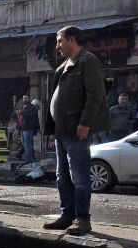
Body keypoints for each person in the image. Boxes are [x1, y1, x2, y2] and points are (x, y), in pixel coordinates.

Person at [42, 26, 110, 236]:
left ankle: (82, 219)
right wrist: (53, 130)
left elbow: (95, 95)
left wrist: (85, 123)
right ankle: (66, 215)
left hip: (76, 130)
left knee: (79, 176)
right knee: (62, 176)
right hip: (62, 131)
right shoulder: (64, 66)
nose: (58, 46)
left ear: (72, 40)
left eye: (60, 40)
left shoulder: (87, 61)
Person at [17, 95, 40, 165]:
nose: (25, 99)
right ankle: (29, 158)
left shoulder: (32, 107)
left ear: (29, 99)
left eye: (26, 98)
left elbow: (32, 117)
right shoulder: (22, 106)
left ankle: (29, 160)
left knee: (28, 144)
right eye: (24, 98)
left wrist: (23, 112)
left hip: (28, 128)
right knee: (25, 144)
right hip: (22, 128)